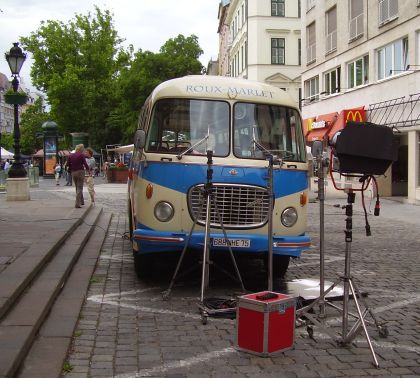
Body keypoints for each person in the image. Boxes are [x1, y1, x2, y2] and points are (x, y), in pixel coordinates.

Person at [68, 144, 90, 208]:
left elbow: (68, 164)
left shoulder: (70, 155)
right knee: (80, 188)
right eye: (83, 148)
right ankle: (77, 203)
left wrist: (70, 170)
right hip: (80, 172)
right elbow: (85, 164)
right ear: (81, 149)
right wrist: (89, 171)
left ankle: (81, 201)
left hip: (73, 172)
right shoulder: (81, 155)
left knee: (77, 187)